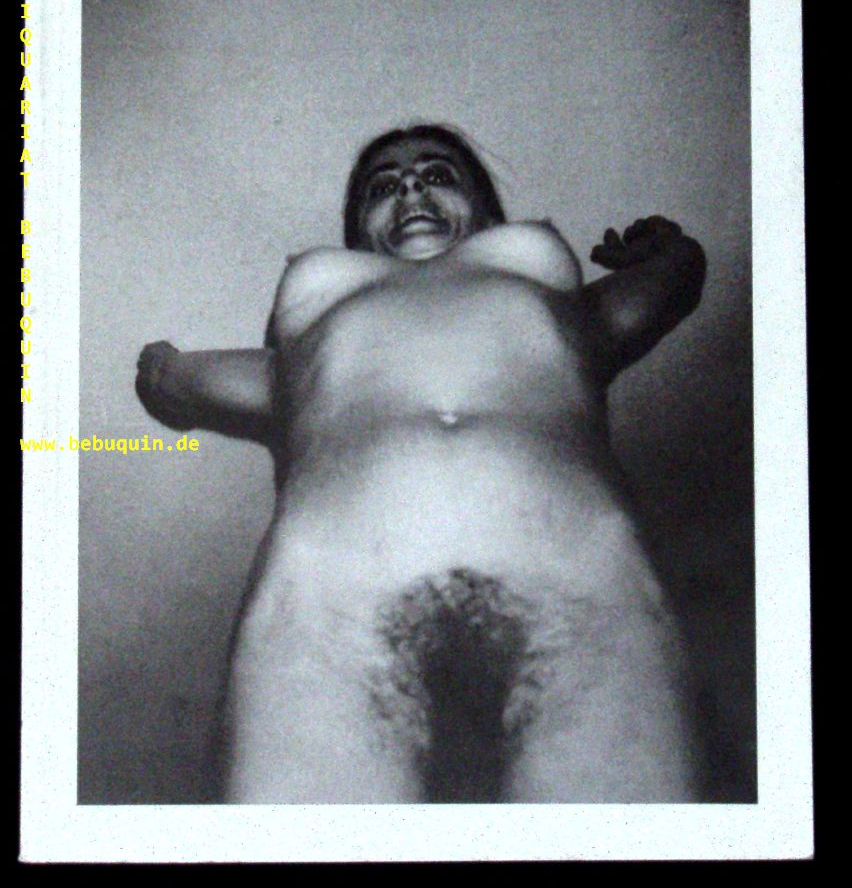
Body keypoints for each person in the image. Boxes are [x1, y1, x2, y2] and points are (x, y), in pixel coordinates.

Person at [136, 123, 707, 803]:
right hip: (329, 601)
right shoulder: (304, 356)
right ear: (357, 238)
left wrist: (670, 251)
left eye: (437, 174)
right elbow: (180, 383)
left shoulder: (566, 313)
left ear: (489, 219)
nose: (410, 189)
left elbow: (670, 282)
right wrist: (164, 370)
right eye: (384, 186)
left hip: (581, 582)